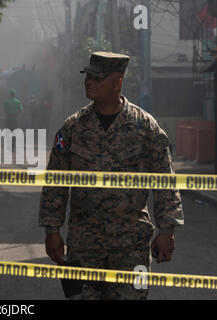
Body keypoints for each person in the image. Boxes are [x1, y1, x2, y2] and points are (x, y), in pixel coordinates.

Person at [39, 52, 184, 300]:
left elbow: (165, 182)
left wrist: (166, 231)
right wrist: (52, 230)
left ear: (117, 82)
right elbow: (56, 183)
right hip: (84, 246)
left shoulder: (146, 127)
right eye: (88, 76)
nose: (89, 82)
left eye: (97, 77)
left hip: (131, 246)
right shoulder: (72, 127)